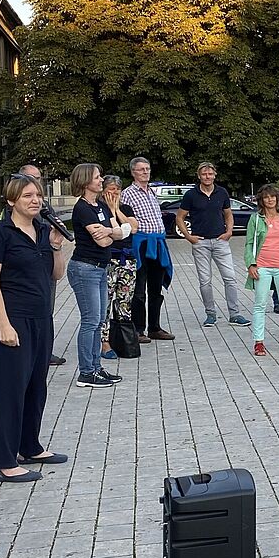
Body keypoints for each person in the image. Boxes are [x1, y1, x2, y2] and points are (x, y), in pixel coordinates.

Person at [0, 174, 70, 483]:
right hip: (13, 319)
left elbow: (56, 275)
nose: (35, 200)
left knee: (36, 385)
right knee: (10, 390)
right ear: (11, 201)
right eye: (27, 196)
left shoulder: (44, 230)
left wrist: (56, 247)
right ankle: (5, 461)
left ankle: (30, 445)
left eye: (38, 195)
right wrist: (3, 324)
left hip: (41, 317)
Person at [67, 164, 127, 388]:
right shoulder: (82, 208)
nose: (101, 180)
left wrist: (110, 231)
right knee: (90, 321)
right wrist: (112, 233)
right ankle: (86, 373)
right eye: (97, 177)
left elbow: (119, 232)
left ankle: (96, 368)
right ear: (85, 182)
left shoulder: (100, 206)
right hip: (85, 268)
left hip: (101, 267)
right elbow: (102, 241)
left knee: (100, 320)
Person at [176, 162, 251, 328]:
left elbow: (228, 214)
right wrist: (188, 237)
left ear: (215, 175)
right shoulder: (191, 195)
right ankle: (210, 314)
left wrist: (229, 231)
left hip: (220, 241)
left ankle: (234, 313)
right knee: (205, 281)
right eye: (204, 174)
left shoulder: (222, 192)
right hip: (200, 242)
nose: (207, 177)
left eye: (210, 174)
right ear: (199, 176)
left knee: (230, 277)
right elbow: (180, 217)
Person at [121, 157, 175, 342]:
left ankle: (154, 327)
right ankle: (137, 329)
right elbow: (125, 219)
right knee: (138, 289)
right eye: (141, 169)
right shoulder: (128, 193)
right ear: (133, 172)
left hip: (158, 243)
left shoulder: (152, 192)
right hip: (141, 243)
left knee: (155, 287)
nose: (145, 172)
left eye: (147, 168)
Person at [17, 165, 67, 366]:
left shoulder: (44, 206)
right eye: (31, 178)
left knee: (47, 309)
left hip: (47, 261)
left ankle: (45, 351)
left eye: (39, 179)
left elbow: (51, 225)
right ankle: (30, 350)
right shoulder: (18, 207)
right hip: (28, 266)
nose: (37, 183)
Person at [244, 184, 279, 356]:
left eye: (272, 196)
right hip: (262, 266)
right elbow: (248, 244)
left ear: (277, 198)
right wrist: (251, 264)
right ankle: (258, 342)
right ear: (261, 200)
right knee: (260, 305)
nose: (270, 200)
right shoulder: (255, 218)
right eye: (266, 197)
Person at [99, 175, 138, 360]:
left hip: (127, 260)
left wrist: (116, 210)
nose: (114, 193)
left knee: (124, 302)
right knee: (105, 302)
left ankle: (123, 339)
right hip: (108, 260)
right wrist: (110, 211)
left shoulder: (126, 208)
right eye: (110, 189)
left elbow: (134, 228)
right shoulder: (98, 209)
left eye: (117, 189)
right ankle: (104, 342)